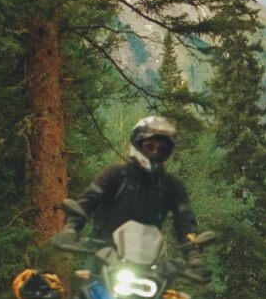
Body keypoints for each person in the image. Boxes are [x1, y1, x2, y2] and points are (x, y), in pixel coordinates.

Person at [55, 115, 204, 273]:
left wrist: (193, 252)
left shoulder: (171, 185)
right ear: (137, 145)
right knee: (86, 295)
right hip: (104, 257)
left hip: (149, 266)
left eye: (162, 149)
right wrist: (71, 228)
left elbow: (185, 222)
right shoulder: (115, 175)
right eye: (149, 146)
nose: (155, 152)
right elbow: (86, 203)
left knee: (170, 298)